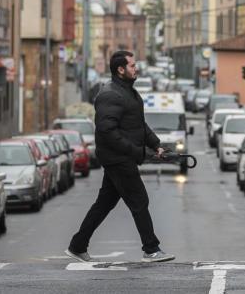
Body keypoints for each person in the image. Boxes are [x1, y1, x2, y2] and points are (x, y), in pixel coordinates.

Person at [67, 51, 175, 263]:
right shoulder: (110, 95)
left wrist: (156, 145)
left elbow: (138, 125)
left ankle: (77, 245)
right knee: (139, 200)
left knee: (104, 203)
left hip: (120, 158)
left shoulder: (129, 93)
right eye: (132, 66)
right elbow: (107, 132)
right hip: (117, 158)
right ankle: (151, 249)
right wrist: (137, 152)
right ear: (120, 69)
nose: (136, 69)